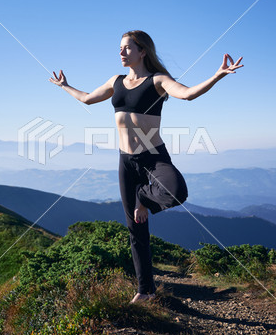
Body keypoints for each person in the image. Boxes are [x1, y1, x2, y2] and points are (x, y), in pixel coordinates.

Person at [49, 30, 243, 303]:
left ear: (143, 51)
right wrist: (65, 86)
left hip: (153, 156)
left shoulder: (158, 80)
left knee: (176, 191)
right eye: (120, 48)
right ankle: (146, 290)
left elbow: (187, 94)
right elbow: (87, 98)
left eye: (127, 48)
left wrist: (218, 75)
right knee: (136, 230)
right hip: (126, 162)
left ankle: (144, 198)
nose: (121, 52)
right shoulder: (115, 81)